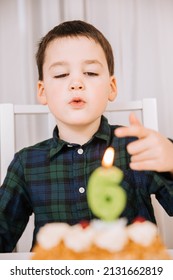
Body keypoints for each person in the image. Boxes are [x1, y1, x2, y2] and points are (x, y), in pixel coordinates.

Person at [0, 20, 173, 253]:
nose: (76, 83)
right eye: (61, 74)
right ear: (42, 91)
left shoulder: (138, 149)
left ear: (111, 87)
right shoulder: (26, 164)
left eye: (90, 72)